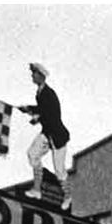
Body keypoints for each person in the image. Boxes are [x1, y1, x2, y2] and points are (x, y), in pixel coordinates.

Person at [18, 62, 72, 211]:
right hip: (47, 132)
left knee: (59, 170)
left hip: (57, 136)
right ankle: (37, 190)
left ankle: (68, 196)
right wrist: (31, 111)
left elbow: (51, 114)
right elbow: (43, 111)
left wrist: (33, 114)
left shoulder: (49, 93)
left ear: (40, 76)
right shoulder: (40, 93)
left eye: (34, 74)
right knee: (32, 154)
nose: (32, 76)